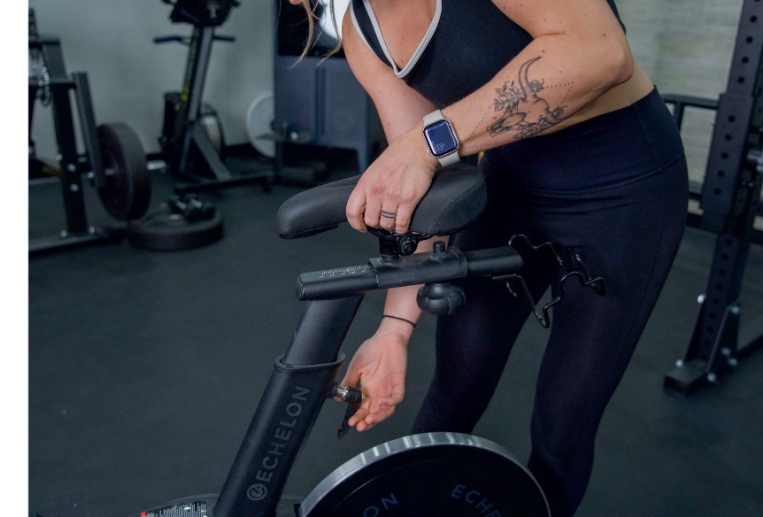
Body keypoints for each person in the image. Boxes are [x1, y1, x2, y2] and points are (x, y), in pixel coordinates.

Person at [288, 0, 689, 513]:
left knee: (563, 424)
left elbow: (601, 52)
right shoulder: (363, 32)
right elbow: (422, 196)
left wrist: (428, 143)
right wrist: (394, 328)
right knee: (456, 383)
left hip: (626, 189)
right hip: (509, 187)